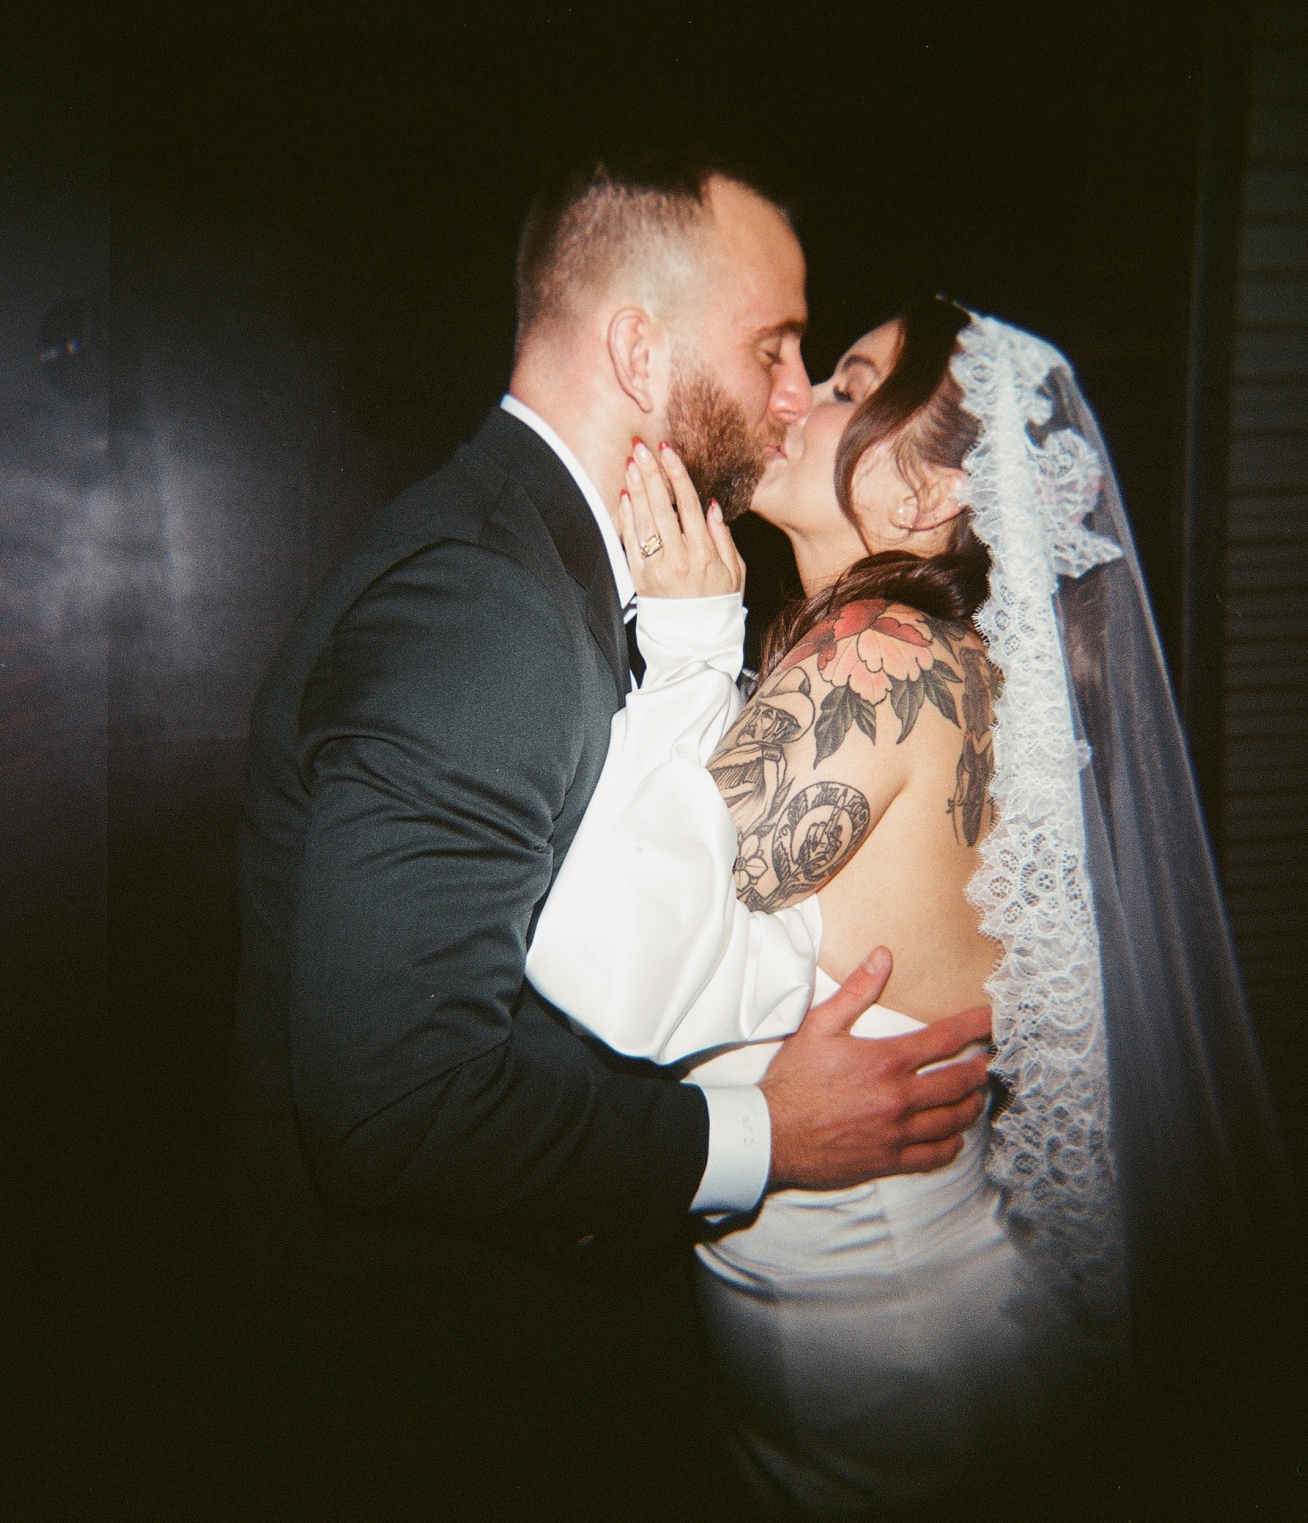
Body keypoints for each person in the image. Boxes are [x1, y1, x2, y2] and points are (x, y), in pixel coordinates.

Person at [231, 149, 994, 1514]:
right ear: (641, 348)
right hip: (457, 1368)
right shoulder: (493, 603)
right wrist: (761, 1131)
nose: (793, 391)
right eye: (776, 345)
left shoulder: (677, 587)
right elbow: (396, 1103)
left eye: (825, 367)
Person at [527, 295, 1286, 1514]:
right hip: (896, 1310)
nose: (796, 397)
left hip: (880, 1358)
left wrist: (678, 638)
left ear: (932, 500)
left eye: (846, 385)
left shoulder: (874, 659)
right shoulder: (955, 665)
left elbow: (611, 957)